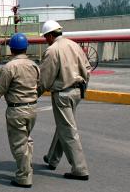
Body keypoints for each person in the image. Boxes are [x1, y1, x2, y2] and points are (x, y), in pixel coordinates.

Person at [38, 20, 92, 181]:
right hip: (77, 91)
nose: (45, 40)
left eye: (45, 37)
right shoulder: (74, 45)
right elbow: (88, 69)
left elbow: (44, 79)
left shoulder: (52, 51)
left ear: (49, 35)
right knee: (64, 125)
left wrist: (34, 95)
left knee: (68, 130)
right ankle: (52, 158)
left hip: (62, 94)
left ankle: (80, 169)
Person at [0, 33, 40, 188]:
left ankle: (24, 177)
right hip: (33, 108)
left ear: (11, 49)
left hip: (17, 110)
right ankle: (27, 167)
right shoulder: (34, 65)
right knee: (27, 139)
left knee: (19, 144)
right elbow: (39, 84)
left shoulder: (9, 67)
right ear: (26, 48)